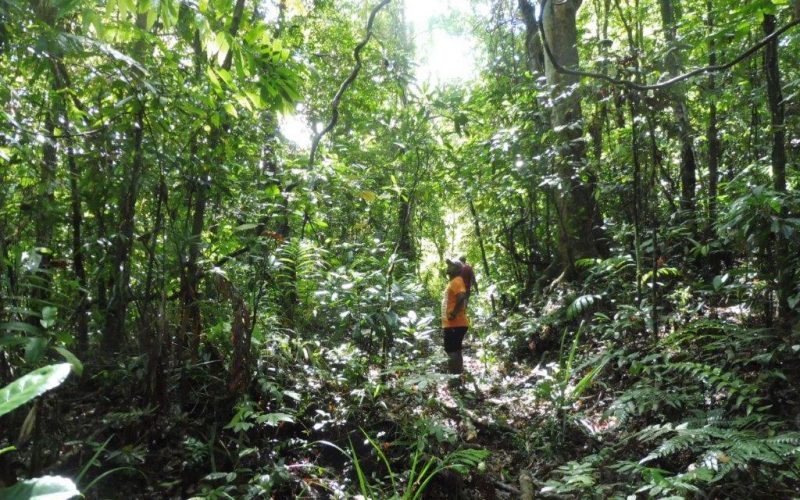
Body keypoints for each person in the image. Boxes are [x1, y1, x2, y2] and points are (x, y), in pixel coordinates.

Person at [442, 258, 470, 378]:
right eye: (448, 265)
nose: (448, 267)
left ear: (458, 269)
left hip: (455, 323)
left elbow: (461, 297)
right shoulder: (454, 281)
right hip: (455, 324)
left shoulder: (457, 281)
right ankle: (457, 377)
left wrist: (453, 313)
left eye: (451, 265)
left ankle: (454, 378)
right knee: (456, 350)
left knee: (452, 350)